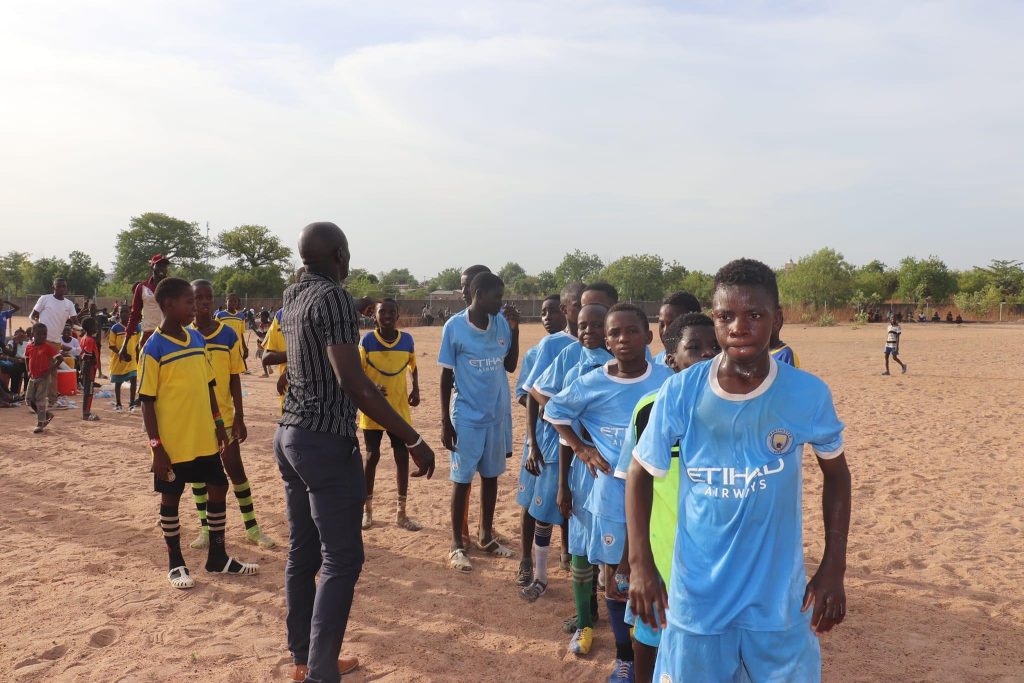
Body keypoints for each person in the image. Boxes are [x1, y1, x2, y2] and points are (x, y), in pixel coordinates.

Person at [627, 258, 851, 683]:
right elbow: (639, 472)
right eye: (726, 316)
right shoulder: (681, 391)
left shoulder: (807, 394)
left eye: (754, 315)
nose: (739, 328)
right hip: (698, 602)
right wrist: (641, 564)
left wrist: (833, 567)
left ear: (777, 319)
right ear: (714, 319)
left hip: (777, 603)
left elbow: (837, 476)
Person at [276, 222, 435, 683]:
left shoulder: (293, 294)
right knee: (342, 559)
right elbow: (353, 381)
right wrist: (412, 438)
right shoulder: (335, 298)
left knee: (303, 552)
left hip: (289, 436)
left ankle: (304, 659)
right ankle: (321, 671)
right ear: (341, 255)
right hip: (323, 442)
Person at [544, 304, 673, 679]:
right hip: (613, 496)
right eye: (615, 333)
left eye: (632, 331)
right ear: (607, 340)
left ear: (648, 336)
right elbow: (554, 411)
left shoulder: (667, 380)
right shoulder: (592, 381)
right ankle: (625, 657)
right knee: (618, 582)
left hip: (661, 495)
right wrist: (582, 448)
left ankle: (656, 650)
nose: (623, 339)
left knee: (658, 573)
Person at [615, 312, 719, 683]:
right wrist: (632, 560)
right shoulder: (649, 409)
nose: (707, 354)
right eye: (695, 347)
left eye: (715, 347)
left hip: (717, 562)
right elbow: (632, 486)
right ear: (671, 359)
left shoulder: (737, 413)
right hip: (662, 559)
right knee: (650, 638)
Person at [139, 277, 259, 590]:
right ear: (168, 305)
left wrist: (219, 425)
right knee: (172, 497)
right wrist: (157, 447)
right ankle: (175, 563)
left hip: (204, 435)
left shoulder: (196, 339)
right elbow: (147, 401)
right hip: (173, 442)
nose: (195, 307)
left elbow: (209, 385)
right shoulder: (153, 348)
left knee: (219, 486)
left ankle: (217, 557)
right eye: (189, 302)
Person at [531, 302, 611, 636]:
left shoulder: (623, 364)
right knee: (581, 541)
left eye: (597, 325)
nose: (589, 332)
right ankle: (587, 611)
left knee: (612, 542)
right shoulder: (572, 362)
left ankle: (618, 612)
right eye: (583, 326)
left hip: (614, 470)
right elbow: (540, 394)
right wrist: (564, 480)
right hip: (581, 468)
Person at [187, 280, 277, 551]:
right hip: (195, 418)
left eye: (208, 297)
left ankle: (252, 528)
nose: (204, 301)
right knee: (199, 475)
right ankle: (205, 529)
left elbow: (235, 377)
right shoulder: (184, 335)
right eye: (198, 297)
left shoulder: (226, 334)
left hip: (224, 416)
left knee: (235, 470)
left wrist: (240, 415)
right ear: (190, 301)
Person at [440, 271, 520, 573]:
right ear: (479, 295)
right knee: (462, 481)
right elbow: (445, 375)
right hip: (467, 417)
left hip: (495, 415)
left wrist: (515, 330)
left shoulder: (500, 323)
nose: (501, 302)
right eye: (497, 297)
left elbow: (509, 365)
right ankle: (456, 544)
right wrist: (445, 421)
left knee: (491, 476)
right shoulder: (454, 327)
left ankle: (486, 535)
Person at [512, 292, 573, 596]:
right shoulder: (539, 351)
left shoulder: (590, 347)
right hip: (540, 439)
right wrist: (545, 413)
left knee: (566, 499)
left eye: (553, 311)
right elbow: (525, 394)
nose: (548, 317)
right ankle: (526, 559)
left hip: (568, 441)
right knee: (532, 503)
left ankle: (567, 553)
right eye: (544, 312)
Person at [359, 298, 423, 532]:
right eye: (382, 312)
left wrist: (416, 388)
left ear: (397, 316)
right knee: (372, 456)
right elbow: (357, 372)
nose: (386, 315)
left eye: (391, 312)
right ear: (374, 316)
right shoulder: (367, 341)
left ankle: (401, 513)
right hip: (373, 410)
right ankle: (367, 511)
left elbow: (413, 366)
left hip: (399, 410)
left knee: (401, 456)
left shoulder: (406, 340)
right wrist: (372, 387)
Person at [31, 277, 78, 407]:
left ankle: (52, 401)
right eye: (59, 286)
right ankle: (35, 398)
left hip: (56, 342)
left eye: (63, 286)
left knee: (52, 372)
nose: (61, 288)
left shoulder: (69, 304)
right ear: (54, 287)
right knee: (39, 370)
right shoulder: (45, 299)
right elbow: (33, 315)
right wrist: (37, 327)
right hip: (41, 341)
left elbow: (75, 321)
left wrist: (81, 328)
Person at [121, 254, 171, 359]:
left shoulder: (172, 286)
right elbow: (135, 315)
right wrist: (124, 344)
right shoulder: (142, 288)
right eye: (159, 265)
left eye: (165, 266)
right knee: (145, 365)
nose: (162, 268)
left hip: (169, 334)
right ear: (152, 266)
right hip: (148, 334)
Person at [24, 322, 63, 433]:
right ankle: (46, 415)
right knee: (29, 400)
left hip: (43, 378)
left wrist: (49, 371)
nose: (43, 336)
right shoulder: (29, 346)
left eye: (45, 334)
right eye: (40, 334)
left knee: (40, 400)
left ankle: (40, 424)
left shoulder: (47, 347)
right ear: (33, 334)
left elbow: (60, 359)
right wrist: (28, 370)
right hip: (33, 377)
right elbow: (26, 358)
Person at [654, 291, 701, 366]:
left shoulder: (707, 365)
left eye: (673, 324)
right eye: (662, 325)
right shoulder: (655, 364)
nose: (665, 332)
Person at [108, 307, 140, 412]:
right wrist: (121, 354)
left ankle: (131, 403)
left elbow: (137, 344)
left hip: (132, 360)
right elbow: (111, 345)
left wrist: (137, 357)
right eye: (122, 312)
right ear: (118, 313)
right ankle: (118, 404)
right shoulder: (115, 328)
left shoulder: (136, 327)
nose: (125, 314)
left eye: (127, 312)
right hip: (119, 360)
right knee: (118, 383)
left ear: (130, 313)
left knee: (133, 379)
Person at [215, 293, 250, 374]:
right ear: (226, 302)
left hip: (236, 347)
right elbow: (215, 332)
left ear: (237, 303)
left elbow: (241, 333)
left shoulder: (241, 316)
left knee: (235, 371)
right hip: (223, 346)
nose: (233, 303)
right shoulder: (220, 315)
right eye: (230, 301)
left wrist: (245, 347)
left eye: (235, 302)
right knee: (223, 369)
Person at [78, 317, 101, 421]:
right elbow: (87, 356)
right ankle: (86, 413)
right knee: (89, 391)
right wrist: (87, 368)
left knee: (88, 391)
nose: (96, 327)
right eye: (95, 325)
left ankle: (86, 412)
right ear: (90, 327)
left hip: (87, 368)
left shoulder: (84, 338)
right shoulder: (90, 340)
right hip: (89, 368)